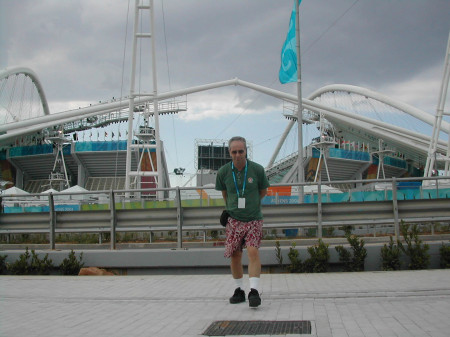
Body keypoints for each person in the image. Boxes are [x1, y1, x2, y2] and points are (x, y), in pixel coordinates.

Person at [215, 136, 270, 308]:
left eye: (241, 151)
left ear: (246, 151)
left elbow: (263, 191)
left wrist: (251, 205)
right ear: (229, 153)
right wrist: (231, 208)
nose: (238, 155)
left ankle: (253, 291)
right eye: (234, 152)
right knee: (235, 254)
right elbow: (225, 194)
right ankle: (239, 290)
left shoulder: (257, 170)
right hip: (234, 220)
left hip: (253, 218)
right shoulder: (223, 172)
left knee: (253, 251)